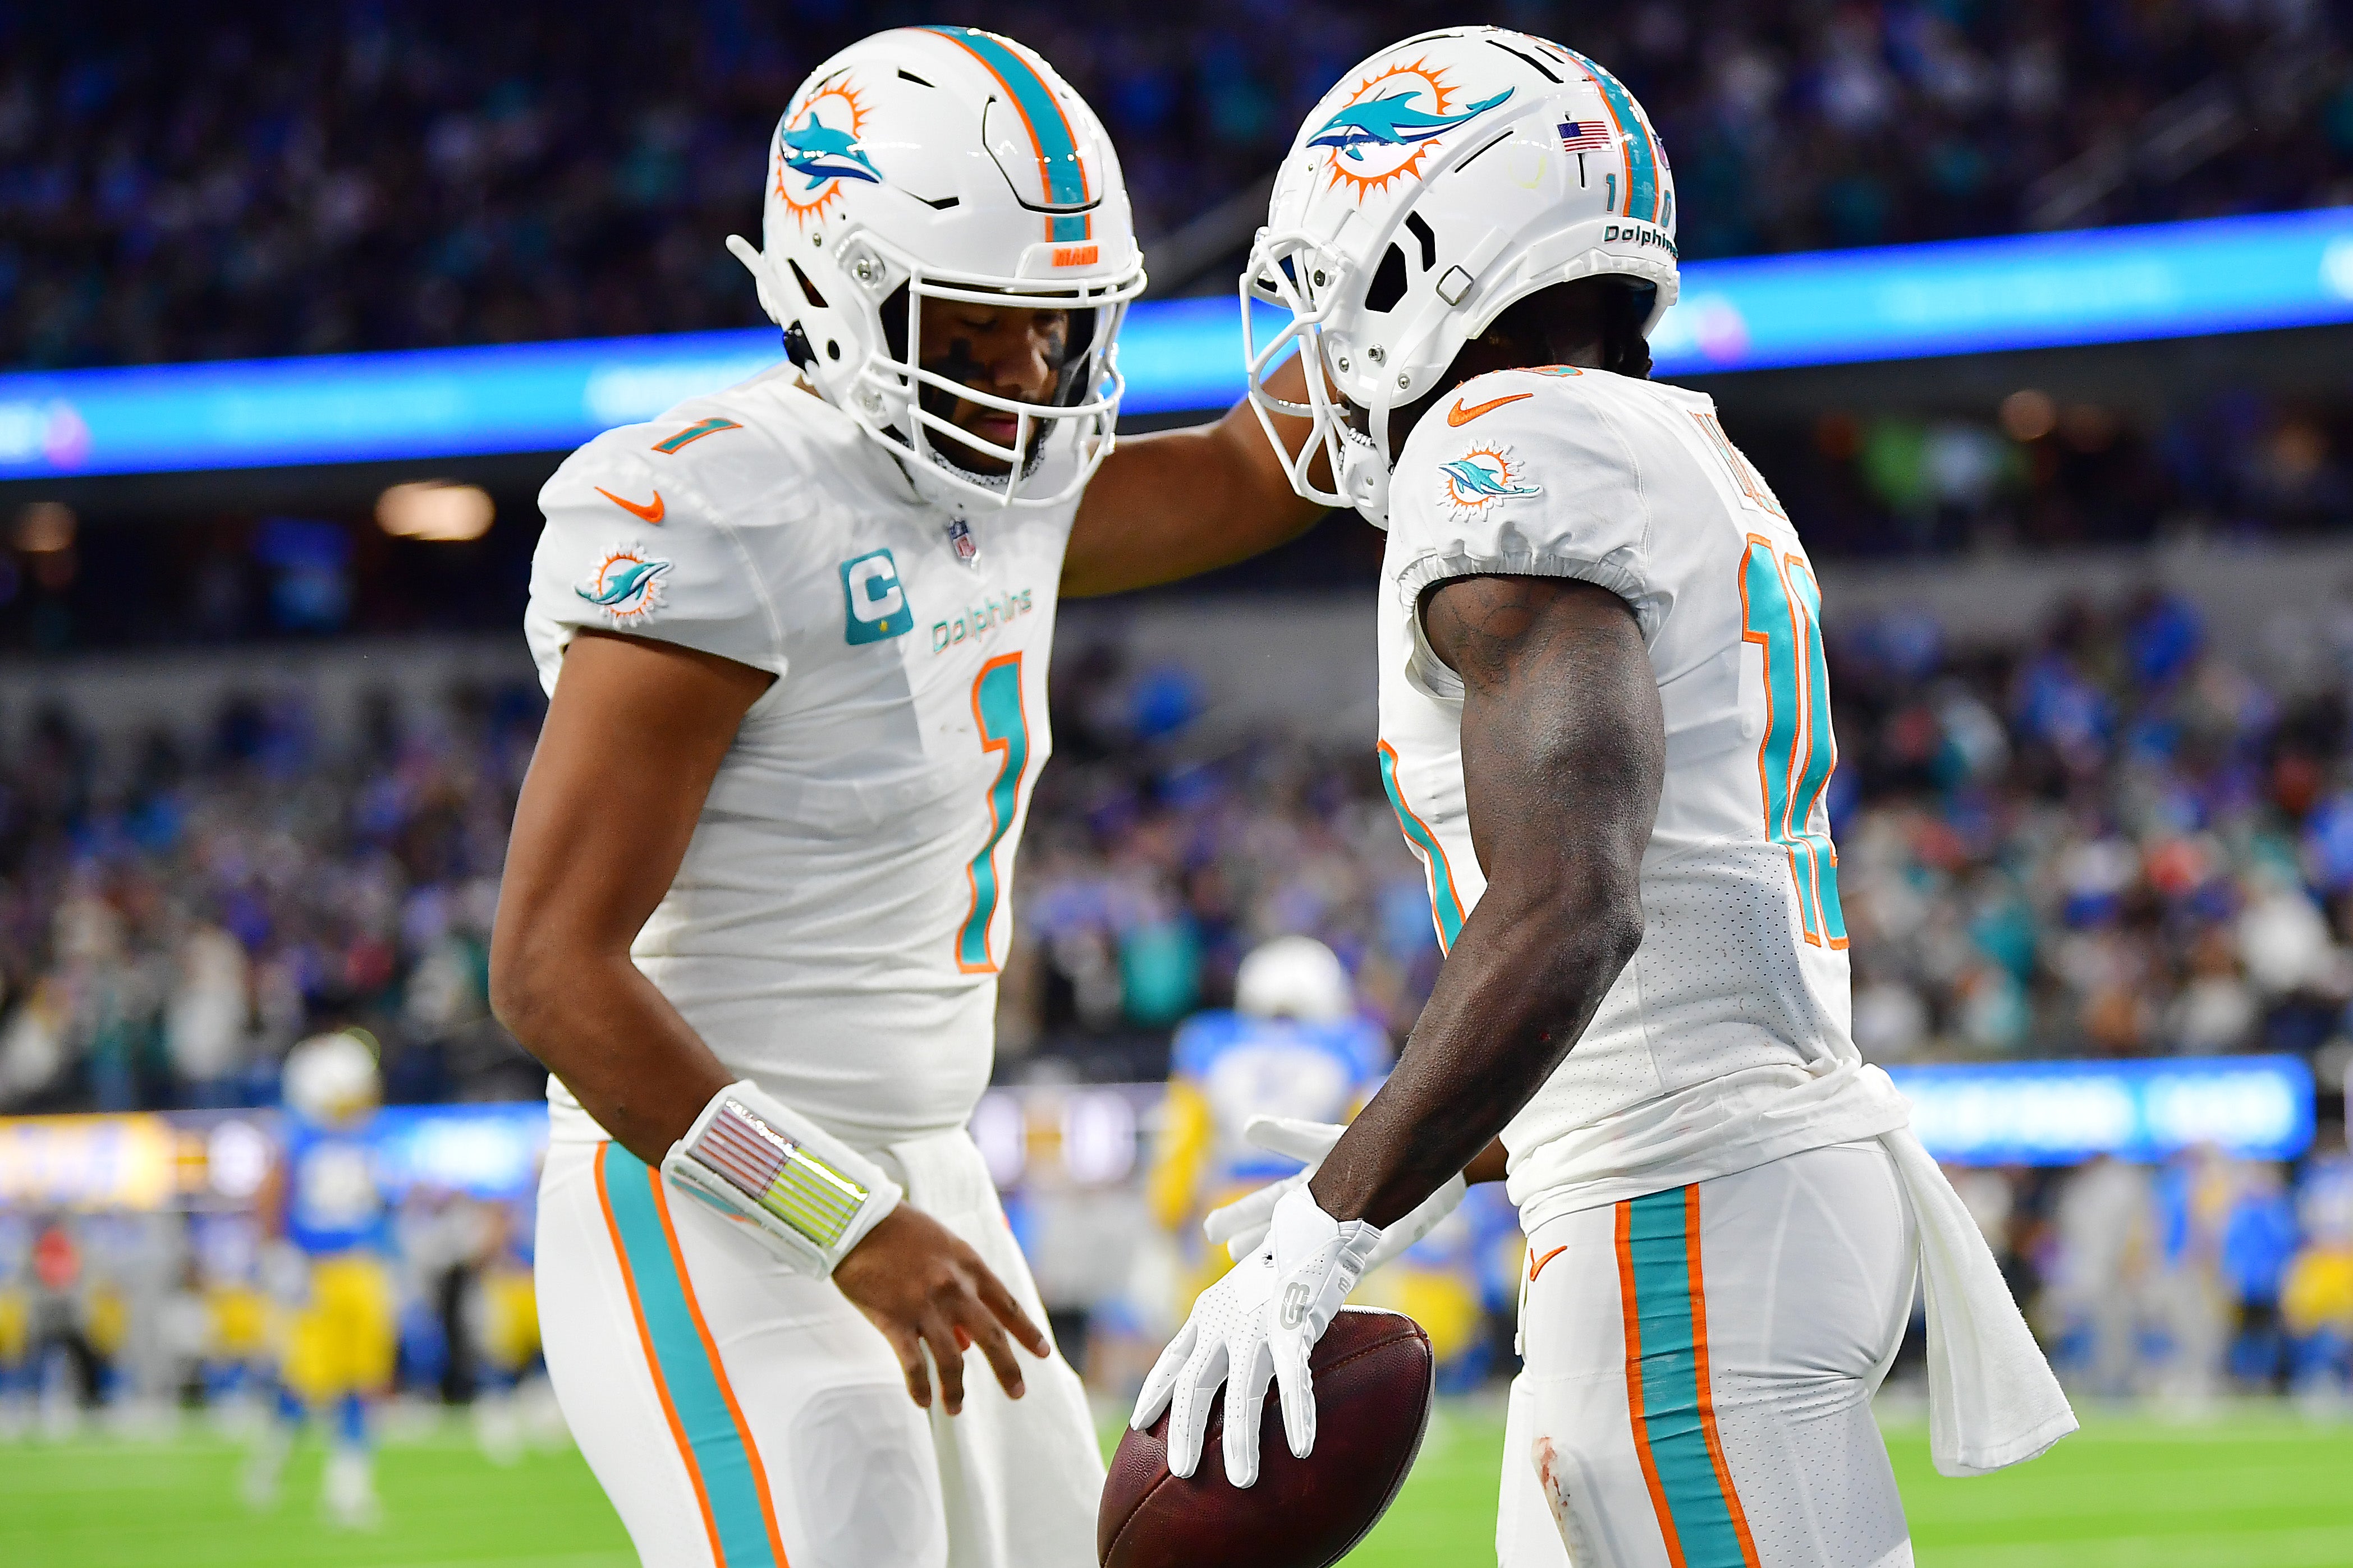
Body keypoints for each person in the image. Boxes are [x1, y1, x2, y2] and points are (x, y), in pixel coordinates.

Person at [1136, 26, 2074, 1566]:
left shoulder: (1502, 444)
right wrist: (1440, 1137)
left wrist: (1328, 1228)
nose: (1310, 334)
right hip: (1709, 1187)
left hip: (1688, 1219)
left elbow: (1580, 903)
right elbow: (1692, 904)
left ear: (1429, 254)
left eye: (1333, 275)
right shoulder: (1666, 441)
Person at [490, 25, 1326, 1568]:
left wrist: (1417, 280)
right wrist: (839, 1219)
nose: (1025, 375)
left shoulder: (1003, 485)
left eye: (1054, 328)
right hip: (693, 1185)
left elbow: (1250, 470)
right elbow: (547, 973)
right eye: (976, 327)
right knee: (840, 1490)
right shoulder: (727, 507)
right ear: (841, 284)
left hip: (928, 1160)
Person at [246, 1029, 396, 1527]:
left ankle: (347, 1484)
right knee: (307, 1382)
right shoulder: (297, 1137)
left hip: (361, 1268)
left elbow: (375, 1204)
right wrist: (279, 1256)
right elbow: (270, 1200)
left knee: (362, 1377)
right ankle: (272, 1459)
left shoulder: (369, 1134)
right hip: (315, 1272)